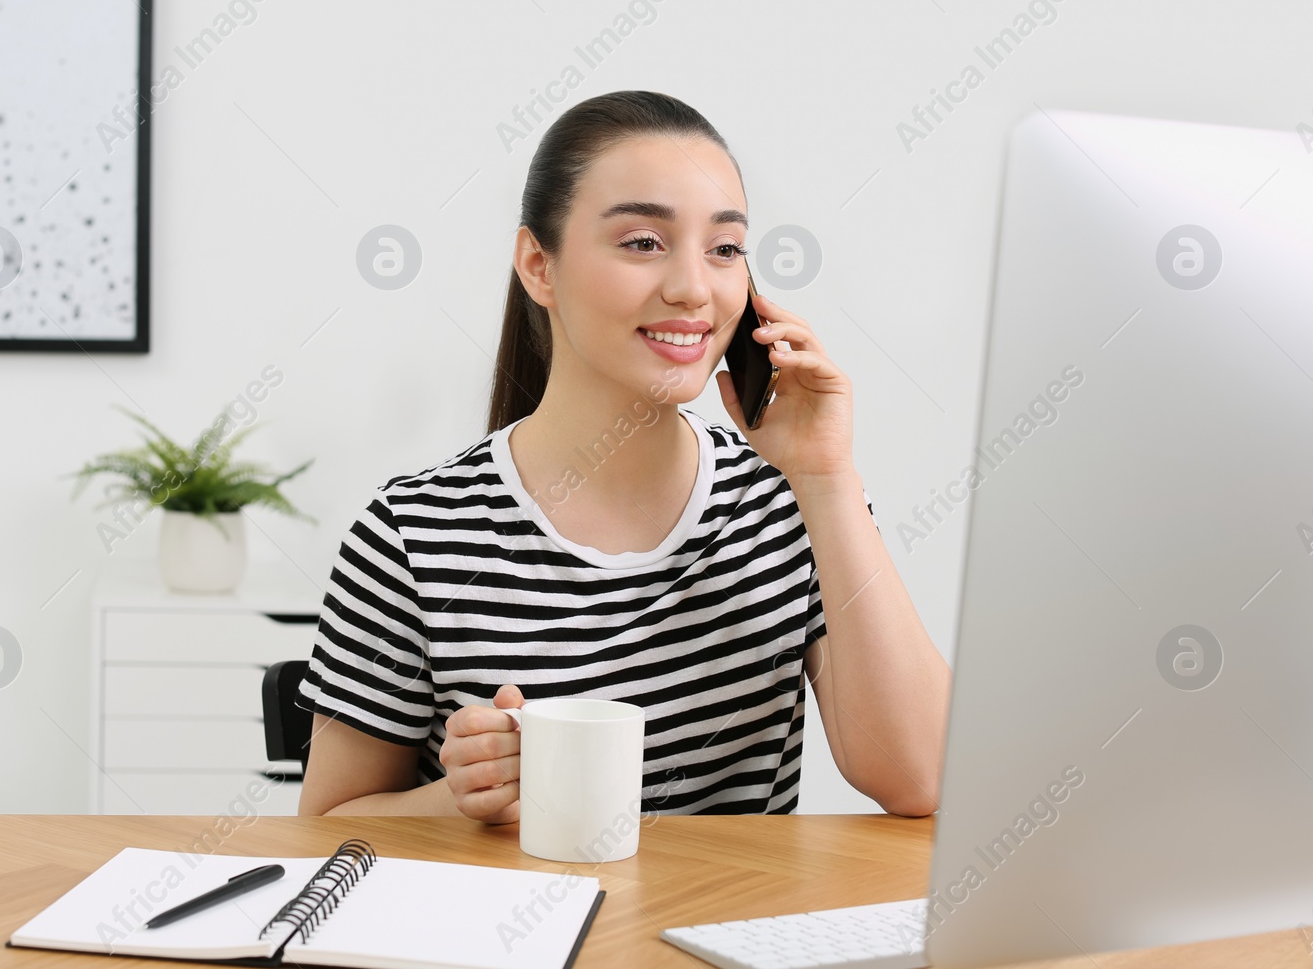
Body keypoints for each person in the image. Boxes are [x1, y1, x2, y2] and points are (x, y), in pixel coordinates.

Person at [296, 89, 950, 821]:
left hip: (727, 927)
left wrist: (827, 478)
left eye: (726, 249)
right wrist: (463, 800)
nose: (692, 287)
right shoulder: (412, 534)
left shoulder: (788, 505)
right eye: (643, 242)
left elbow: (922, 777)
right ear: (539, 265)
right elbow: (322, 829)